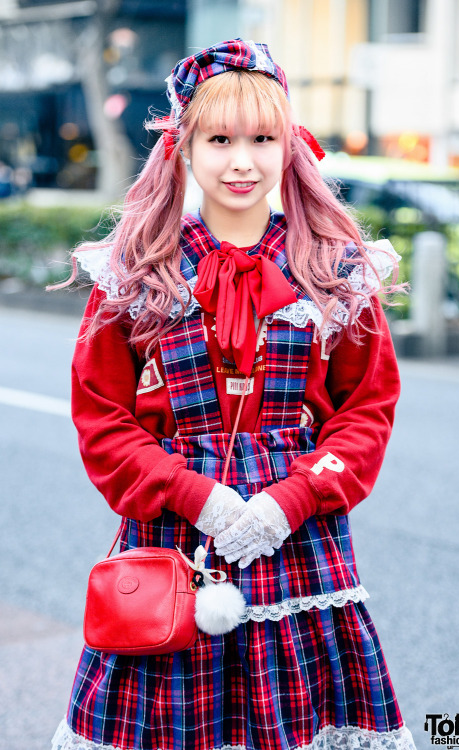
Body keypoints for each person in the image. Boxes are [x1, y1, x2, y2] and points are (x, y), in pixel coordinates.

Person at [51, 39, 416, 750]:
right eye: (219, 139)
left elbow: (367, 413)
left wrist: (292, 499)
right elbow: (103, 418)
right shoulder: (136, 272)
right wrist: (199, 497)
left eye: (262, 138)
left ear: (291, 146)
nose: (242, 161)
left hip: (300, 543)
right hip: (171, 538)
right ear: (184, 145)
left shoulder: (337, 272)